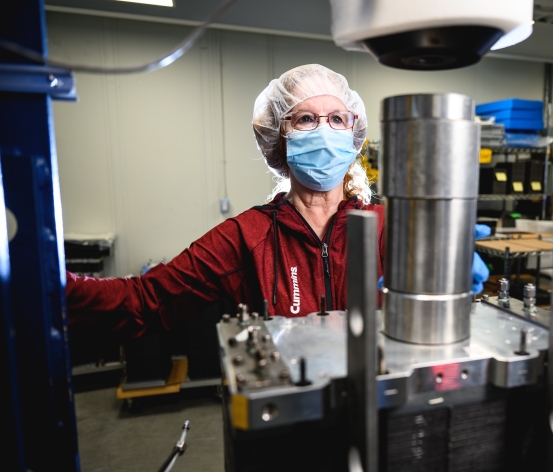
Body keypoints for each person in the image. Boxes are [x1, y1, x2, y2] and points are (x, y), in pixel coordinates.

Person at [66, 64, 382, 340]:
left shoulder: (387, 228)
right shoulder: (249, 236)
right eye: (306, 119)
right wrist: (53, 285)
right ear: (278, 136)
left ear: (354, 135)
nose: (324, 132)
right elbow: (146, 300)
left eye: (338, 119)